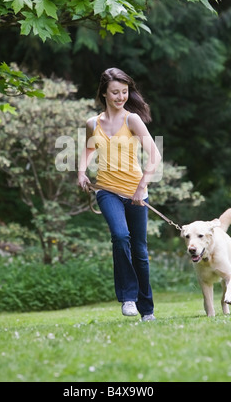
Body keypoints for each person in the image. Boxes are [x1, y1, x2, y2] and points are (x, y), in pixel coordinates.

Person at [78, 68, 161, 321]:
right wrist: (81, 173)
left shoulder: (132, 120)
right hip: (106, 190)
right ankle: (127, 298)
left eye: (125, 92)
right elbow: (87, 149)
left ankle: (146, 310)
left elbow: (155, 156)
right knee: (120, 235)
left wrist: (141, 187)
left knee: (140, 252)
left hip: (136, 192)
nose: (121, 96)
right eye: (115, 92)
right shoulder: (93, 123)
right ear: (104, 92)